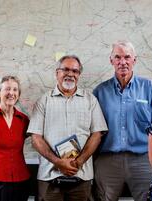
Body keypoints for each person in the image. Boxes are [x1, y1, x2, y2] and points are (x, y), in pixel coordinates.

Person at [27, 55, 108, 201]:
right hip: (49, 177)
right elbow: (35, 138)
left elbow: (97, 134)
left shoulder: (91, 100)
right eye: (65, 69)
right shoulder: (43, 101)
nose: (70, 74)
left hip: (82, 176)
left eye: (75, 71)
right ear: (57, 72)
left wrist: (79, 162)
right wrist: (58, 162)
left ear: (79, 75)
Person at [93, 40, 152, 201]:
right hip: (107, 161)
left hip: (143, 159)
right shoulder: (99, 92)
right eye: (117, 57)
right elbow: (93, 131)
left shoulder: (150, 89)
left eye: (127, 57)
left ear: (134, 60)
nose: (122, 62)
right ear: (111, 61)